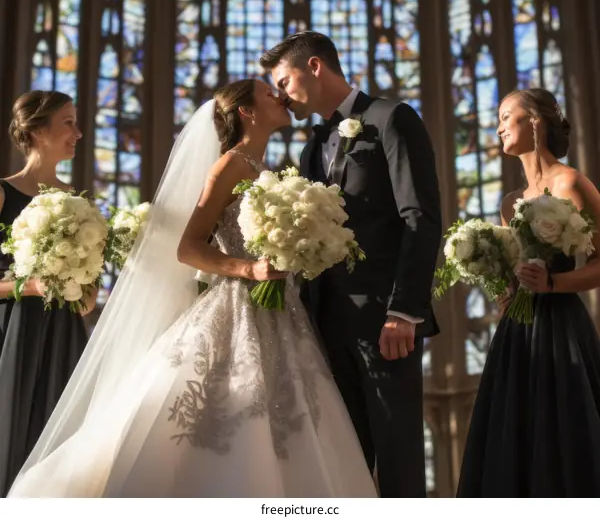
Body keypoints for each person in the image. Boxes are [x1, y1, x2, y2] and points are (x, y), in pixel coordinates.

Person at [7, 79, 378, 498]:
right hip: (236, 307)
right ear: (247, 112)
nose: (280, 96)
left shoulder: (267, 171)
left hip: (282, 315)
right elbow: (188, 248)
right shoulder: (229, 165)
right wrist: (248, 268)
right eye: (267, 93)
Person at [260, 32, 442, 498]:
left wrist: (404, 311)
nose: (281, 94)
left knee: (398, 456)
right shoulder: (309, 149)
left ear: (315, 66)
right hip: (324, 326)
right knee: (342, 463)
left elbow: (419, 219)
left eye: (284, 80)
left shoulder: (391, 119)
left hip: (386, 321)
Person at [457, 88, 600, 497]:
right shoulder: (510, 202)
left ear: (535, 121)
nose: (498, 126)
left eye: (506, 116)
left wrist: (553, 284)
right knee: (515, 436)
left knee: (563, 436)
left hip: (562, 330)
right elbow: (514, 270)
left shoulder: (570, 181)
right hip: (517, 335)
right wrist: (505, 289)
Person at [0, 90, 93, 496]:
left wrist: (80, 289)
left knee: (56, 443)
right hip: (14, 332)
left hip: (64, 335)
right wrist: (30, 285)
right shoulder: (4, 193)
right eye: (68, 123)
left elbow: (89, 297)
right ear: (38, 132)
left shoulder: (76, 203)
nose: (80, 132)